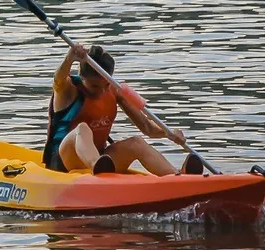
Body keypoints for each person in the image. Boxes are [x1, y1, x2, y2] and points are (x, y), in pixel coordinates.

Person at [41, 43, 203, 176]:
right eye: (95, 86)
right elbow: (58, 79)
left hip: (103, 159)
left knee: (136, 142)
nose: (102, 91)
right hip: (64, 162)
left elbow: (147, 128)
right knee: (82, 129)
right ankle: (97, 166)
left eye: (105, 85)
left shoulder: (115, 91)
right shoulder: (69, 89)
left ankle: (176, 176)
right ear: (82, 77)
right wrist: (69, 58)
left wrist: (169, 133)